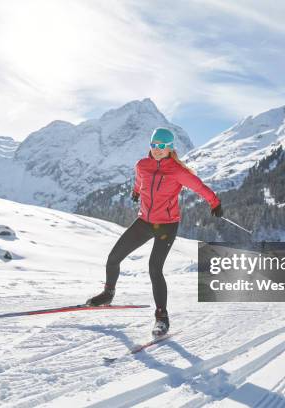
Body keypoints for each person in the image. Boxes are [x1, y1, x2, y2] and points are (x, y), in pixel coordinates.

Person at [86, 127, 223, 336]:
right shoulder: (142, 165)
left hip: (167, 225)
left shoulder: (177, 171)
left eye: (162, 146)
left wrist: (215, 202)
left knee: (154, 268)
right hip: (145, 221)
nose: (157, 149)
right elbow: (140, 181)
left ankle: (162, 317)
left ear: (170, 148)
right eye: (154, 145)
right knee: (113, 257)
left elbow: (199, 187)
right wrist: (135, 191)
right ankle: (108, 293)